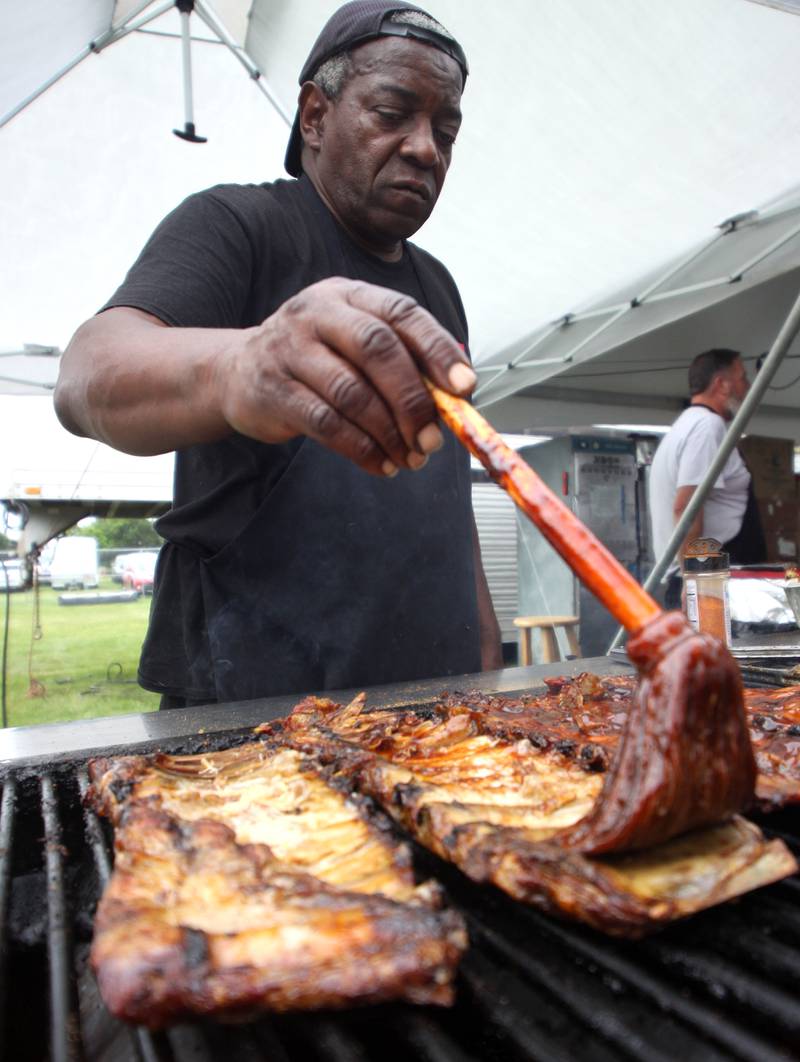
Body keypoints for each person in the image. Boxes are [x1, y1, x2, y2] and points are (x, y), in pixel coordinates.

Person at [54, 0, 502, 708]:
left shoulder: (437, 287)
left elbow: (449, 495)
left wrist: (485, 655)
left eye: (445, 130)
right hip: (255, 714)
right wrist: (243, 366)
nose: (426, 148)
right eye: (393, 114)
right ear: (316, 116)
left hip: (432, 702)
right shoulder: (239, 225)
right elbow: (86, 374)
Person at [649, 348, 766, 608]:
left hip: (710, 577)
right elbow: (686, 507)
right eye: (742, 378)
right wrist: (694, 580)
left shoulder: (685, 425)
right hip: (711, 581)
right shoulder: (706, 427)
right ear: (721, 385)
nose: (747, 388)